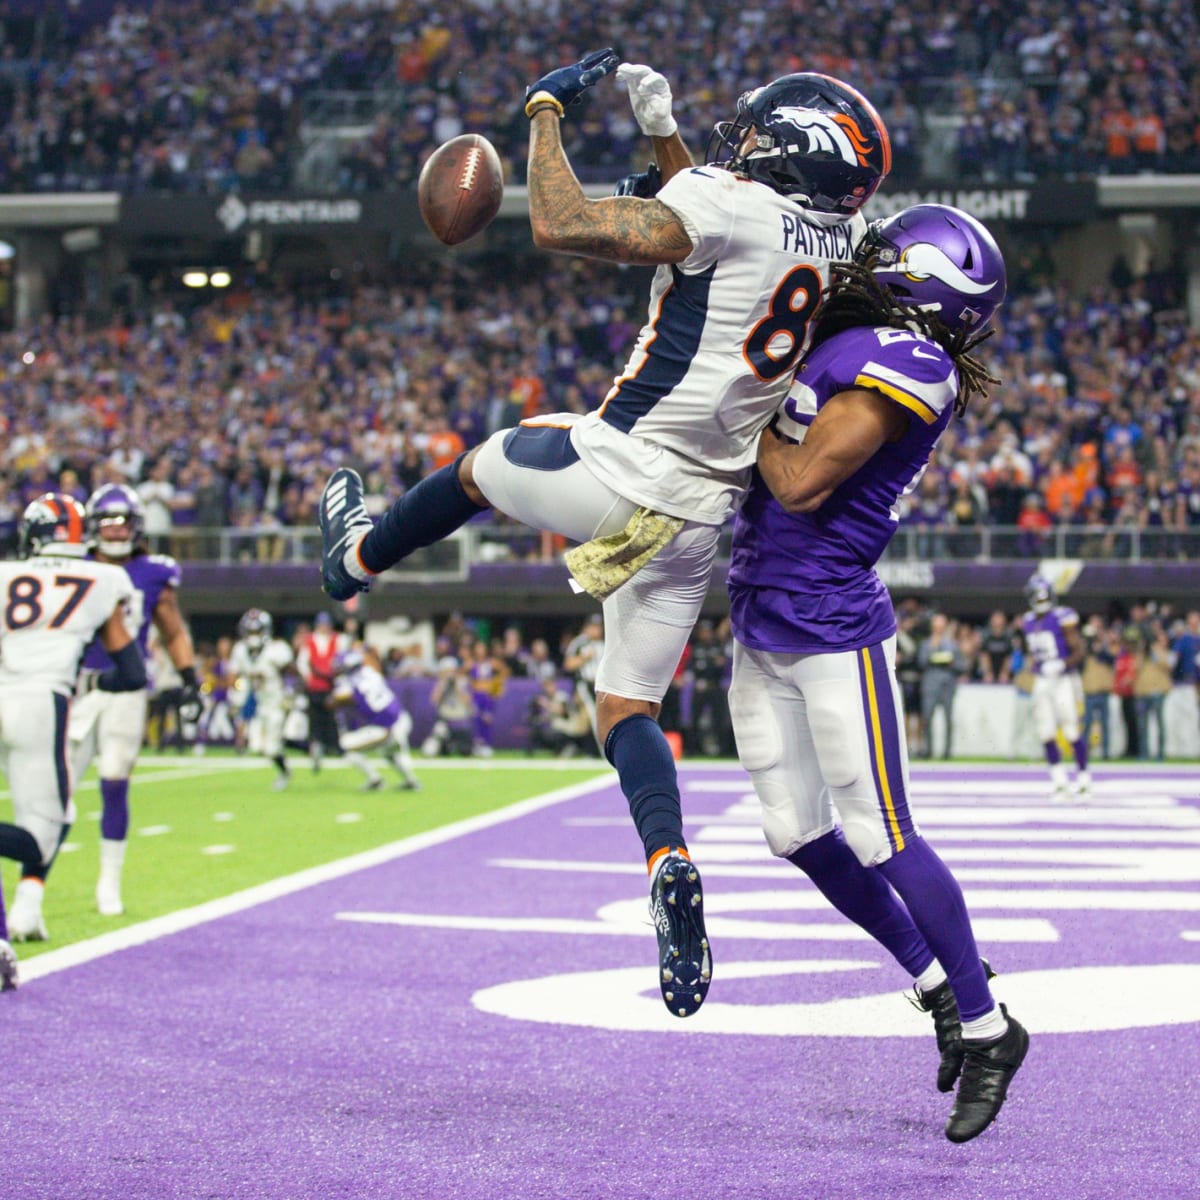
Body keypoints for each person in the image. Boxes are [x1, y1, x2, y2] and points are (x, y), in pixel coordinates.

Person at [319, 54, 891, 1018]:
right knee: (625, 708)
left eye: (757, 135)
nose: (735, 144)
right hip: (700, 518)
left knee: (480, 464)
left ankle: (355, 557)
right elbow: (713, 226)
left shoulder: (730, 201)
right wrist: (662, 136)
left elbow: (564, 222)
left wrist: (544, 112)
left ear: (789, 149)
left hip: (621, 474)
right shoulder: (844, 236)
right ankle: (667, 857)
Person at [726, 204, 1027, 1143]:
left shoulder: (911, 364)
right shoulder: (853, 336)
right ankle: (935, 983)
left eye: (885, 255)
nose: (866, 261)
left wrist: (730, 411)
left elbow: (800, 481)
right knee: (792, 832)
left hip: (831, 627)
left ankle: (989, 1027)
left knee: (883, 835)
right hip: (761, 614)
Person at [9, 483, 200, 935]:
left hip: (114, 689)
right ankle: (30, 896)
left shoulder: (152, 572)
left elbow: (172, 629)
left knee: (114, 781)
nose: (115, 531)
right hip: (72, 686)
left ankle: (107, 882)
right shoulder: (85, 568)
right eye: (107, 523)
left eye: (122, 522)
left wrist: (191, 677)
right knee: (58, 794)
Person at [0, 495, 146, 983]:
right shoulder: (104, 580)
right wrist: (89, 682)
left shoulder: (4, 574)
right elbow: (130, 672)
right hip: (43, 704)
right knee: (40, 840)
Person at [1020, 574, 1090, 799]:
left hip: (1063, 678)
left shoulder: (1062, 617)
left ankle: (1083, 779)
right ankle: (1059, 781)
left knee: (1070, 727)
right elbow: (1033, 652)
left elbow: (1079, 649)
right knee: (1045, 731)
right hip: (1042, 679)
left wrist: (1062, 663)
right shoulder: (1029, 620)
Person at [326, 647, 420, 791]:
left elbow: (333, 702)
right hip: (401, 718)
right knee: (388, 753)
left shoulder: (348, 684)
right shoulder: (371, 672)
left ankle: (375, 780)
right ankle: (411, 780)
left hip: (385, 727)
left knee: (346, 746)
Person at [229, 608, 295, 789]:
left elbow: (293, 674)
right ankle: (305, 747)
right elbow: (235, 678)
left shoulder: (277, 649)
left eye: (256, 631)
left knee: (271, 748)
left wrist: (291, 694)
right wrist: (236, 697)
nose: (253, 635)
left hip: (277, 702)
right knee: (256, 747)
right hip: (260, 703)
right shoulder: (241, 651)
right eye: (250, 631)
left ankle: (285, 773)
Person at [296, 611, 346, 772]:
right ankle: (316, 747)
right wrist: (308, 678)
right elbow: (303, 663)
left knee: (332, 719)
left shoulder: (338, 639)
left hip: (331, 686)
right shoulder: (310, 641)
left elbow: (342, 660)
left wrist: (337, 678)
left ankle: (334, 747)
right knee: (315, 719)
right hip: (315, 687)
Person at [918, 612, 965, 759]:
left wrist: (951, 663)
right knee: (926, 719)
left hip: (947, 685)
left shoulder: (952, 645)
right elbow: (921, 662)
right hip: (930, 685)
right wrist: (933, 653)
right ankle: (928, 750)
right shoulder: (926, 644)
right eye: (936, 625)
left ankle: (947, 752)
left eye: (941, 625)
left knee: (948, 719)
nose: (938, 628)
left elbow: (961, 666)